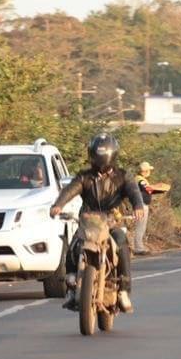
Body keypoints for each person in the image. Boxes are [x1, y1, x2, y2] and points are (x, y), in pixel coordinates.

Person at [49, 133, 145, 313]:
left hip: (112, 222)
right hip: (88, 223)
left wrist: (138, 206)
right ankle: (70, 283)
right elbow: (70, 190)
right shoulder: (84, 177)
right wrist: (58, 205)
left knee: (122, 245)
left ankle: (124, 290)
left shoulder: (123, 176)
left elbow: (134, 192)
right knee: (74, 245)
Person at [132, 161, 172, 255]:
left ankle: (139, 246)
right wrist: (158, 187)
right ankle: (138, 248)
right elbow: (148, 189)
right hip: (141, 205)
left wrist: (160, 190)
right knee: (140, 226)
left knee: (142, 226)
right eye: (149, 170)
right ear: (145, 171)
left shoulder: (141, 179)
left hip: (142, 205)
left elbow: (149, 191)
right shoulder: (140, 179)